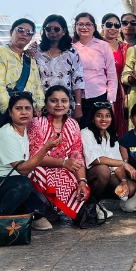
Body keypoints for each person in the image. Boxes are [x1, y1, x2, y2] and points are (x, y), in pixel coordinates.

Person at [0, 92, 55, 240]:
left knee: (38, 208)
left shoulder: (25, 130)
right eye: (18, 108)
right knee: (23, 184)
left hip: (4, 184)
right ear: (10, 112)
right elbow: (22, 169)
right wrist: (46, 148)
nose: (24, 112)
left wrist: (63, 162)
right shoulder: (7, 134)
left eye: (27, 108)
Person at [26, 85, 88, 228]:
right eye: (54, 101)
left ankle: (52, 209)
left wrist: (82, 182)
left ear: (70, 103)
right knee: (38, 173)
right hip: (39, 167)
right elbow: (35, 157)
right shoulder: (37, 123)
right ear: (46, 103)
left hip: (63, 169)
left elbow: (77, 156)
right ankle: (39, 211)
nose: (59, 105)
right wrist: (63, 163)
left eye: (64, 101)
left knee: (78, 186)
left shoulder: (73, 124)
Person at [0, 17, 45, 129]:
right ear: (11, 32)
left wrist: (39, 106)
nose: (24, 34)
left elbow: (37, 85)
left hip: (28, 115)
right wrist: (11, 111)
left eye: (29, 32)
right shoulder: (0, 53)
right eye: (20, 30)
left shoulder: (29, 59)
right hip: (6, 115)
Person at [81, 100, 133, 222]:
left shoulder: (110, 136)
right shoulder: (86, 133)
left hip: (106, 176)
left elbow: (117, 163)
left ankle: (97, 202)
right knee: (103, 170)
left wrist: (123, 181)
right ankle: (90, 205)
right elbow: (96, 160)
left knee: (130, 188)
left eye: (107, 116)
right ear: (93, 118)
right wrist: (124, 163)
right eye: (99, 115)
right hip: (88, 175)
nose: (104, 119)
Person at [34, 15, 84, 120]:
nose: (52, 32)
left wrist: (78, 105)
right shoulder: (36, 51)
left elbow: (78, 79)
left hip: (65, 105)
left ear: (64, 31)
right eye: (48, 29)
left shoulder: (71, 52)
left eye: (56, 29)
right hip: (41, 104)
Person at [72, 12, 118, 128]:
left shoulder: (103, 46)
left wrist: (110, 101)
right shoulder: (71, 48)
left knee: (100, 132)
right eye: (80, 24)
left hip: (100, 96)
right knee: (81, 132)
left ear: (94, 27)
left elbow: (112, 75)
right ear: (75, 27)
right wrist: (77, 104)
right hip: (78, 99)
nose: (84, 27)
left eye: (88, 24)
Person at [100, 13, 130, 136]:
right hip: (101, 92)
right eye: (109, 24)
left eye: (116, 25)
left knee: (121, 124)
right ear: (102, 26)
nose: (113, 28)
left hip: (121, 93)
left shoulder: (126, 48)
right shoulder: (96, 46)